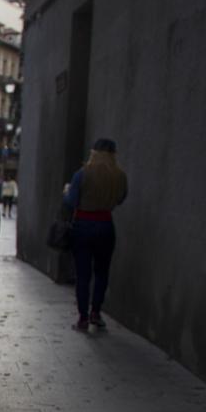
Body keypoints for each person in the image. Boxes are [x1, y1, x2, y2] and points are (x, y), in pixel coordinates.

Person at [63, 138, 127, 331]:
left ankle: (82, 318)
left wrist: (66, 192)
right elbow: (121, 198)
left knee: (83, 274)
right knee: (102, 272)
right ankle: (96, 313)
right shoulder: (120, 175)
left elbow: (72, 201)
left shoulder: (82, 173)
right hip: (106, 224)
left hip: (83, 225)